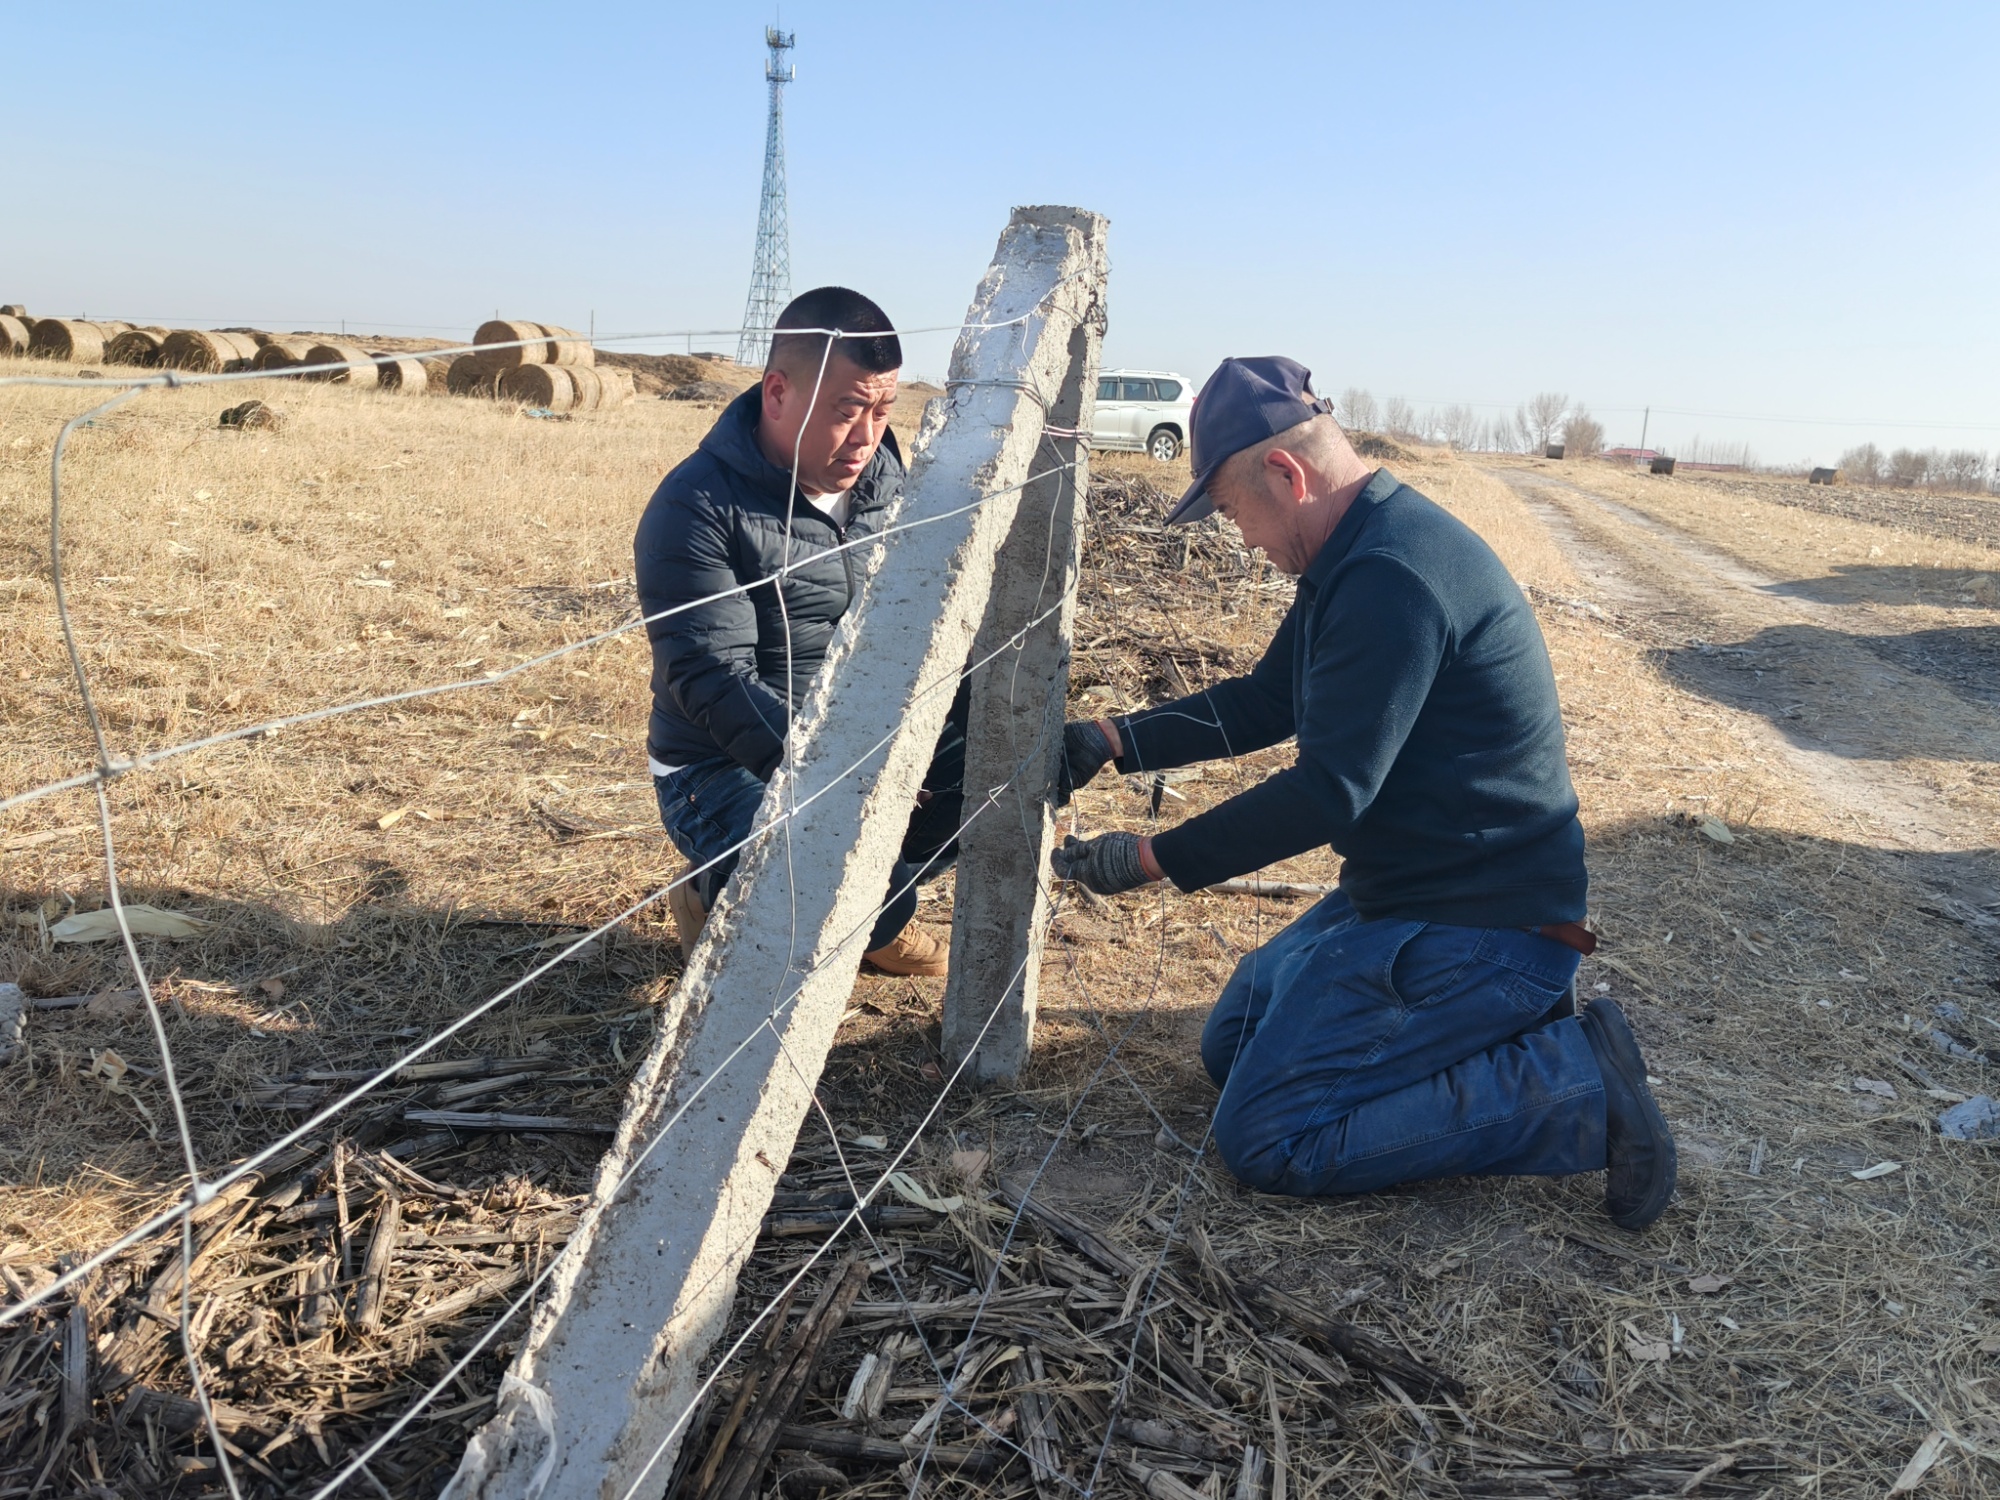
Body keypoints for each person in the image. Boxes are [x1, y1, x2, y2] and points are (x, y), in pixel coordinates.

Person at [1053, 356, 1675, 1230]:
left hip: (1486, 922)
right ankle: (1475, 1036)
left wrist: (1151, 858)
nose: (1244, 540)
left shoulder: (1393, 579)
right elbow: (1271, 700)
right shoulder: (1356, 553)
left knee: (1269, 1137)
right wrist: (1113, 739)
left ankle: (1573, 1084)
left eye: (1233, 511)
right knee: (1229, 1046)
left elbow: (1328, 794)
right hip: (1406, 894)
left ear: (1285, 473)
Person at [635, 287, 963, 976]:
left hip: (853, 739)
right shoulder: (696, 507)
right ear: (778, 392)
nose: (868, 435)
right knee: (820, 866)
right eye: (849, 411)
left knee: (1005, 767)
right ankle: (718, 894)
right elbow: (712, 676)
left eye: (883, 411)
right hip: (719, 765)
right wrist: (838, 776)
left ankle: (875, 909)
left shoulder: (884, 480)